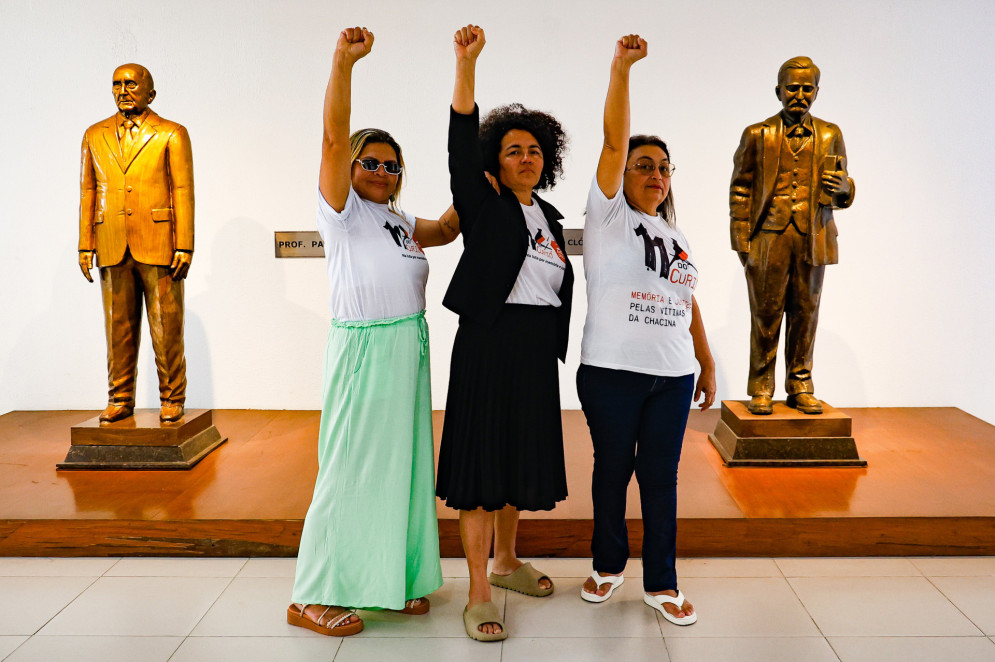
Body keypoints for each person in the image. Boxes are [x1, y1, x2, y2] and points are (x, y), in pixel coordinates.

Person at [287, 27, 460, 637]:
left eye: (392, 165)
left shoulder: (393, 218)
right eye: (371, 162)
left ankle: (395, 577)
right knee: (349, 466)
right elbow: (333, 136)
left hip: (407, 345)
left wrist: (476, 176)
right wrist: (343, 62)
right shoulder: (341, 209)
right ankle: (312, 593)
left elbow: (441, 230)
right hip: (364, 346)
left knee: (404, 470)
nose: (382, 171)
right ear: (353, 165)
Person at [435, 25, 574, 642]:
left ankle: (509, 561)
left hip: (535, 349)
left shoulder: (550, 216)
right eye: (514, 149)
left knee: (517, 459)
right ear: (496, 160)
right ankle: (479, 592)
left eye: (535, 151)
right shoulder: (484, 201)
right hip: (489, 344)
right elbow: (461, 142)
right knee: (481, 464)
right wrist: (466, 64)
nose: (526, 158)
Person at [576, 35, 716, 626]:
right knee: (612, 469)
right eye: (644, 165)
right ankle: (608, 567)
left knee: (661, 475)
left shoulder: (676, 234)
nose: (656, 175)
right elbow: (614, 137)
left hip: (672, 375)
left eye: (664, 167)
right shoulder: (608, 216)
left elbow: (686, 298)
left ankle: (661, 581)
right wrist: (621, 69)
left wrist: (705, 361)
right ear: (622, 174)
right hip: (610, 371)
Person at [730, 56, 855, 415]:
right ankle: (762, 387)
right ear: (778, 91)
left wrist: (845, 188)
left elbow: (843, 188)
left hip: (813, 234)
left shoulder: (831, 134)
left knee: (806, 312)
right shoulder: (757, 134)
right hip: (768, 235)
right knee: (765, 312)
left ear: (816, 92)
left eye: (807, 88)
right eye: (792, 87)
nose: (799, 95)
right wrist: (742, 240)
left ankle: (800, 384)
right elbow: (740, 189)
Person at [78, 63, 194, 423]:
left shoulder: (171, 133)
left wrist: (185, 244)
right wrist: (85, 243)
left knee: (166, 325)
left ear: (150, 93)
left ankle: (172, 398)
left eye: (131, 83)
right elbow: (87, 191)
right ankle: (120, 398)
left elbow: (183, 190)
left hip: (159, 242)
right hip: (111, 242)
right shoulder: (94, 135)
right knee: (117, 328)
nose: (123, 90)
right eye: (116, 84)